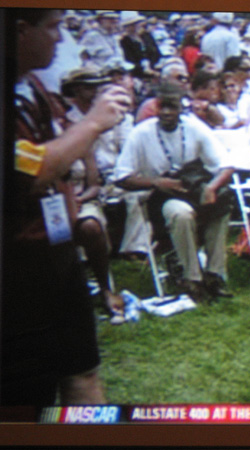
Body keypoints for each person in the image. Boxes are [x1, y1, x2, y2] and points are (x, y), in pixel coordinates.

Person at [2, 8, 130, 405]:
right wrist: (92, 124)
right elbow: (30, 173)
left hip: (58, 255)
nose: (61, 38)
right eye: (54, 26)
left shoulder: (33, 85)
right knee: (25, 397)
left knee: (82, 371)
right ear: (20, 31)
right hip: (15, 271)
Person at [114, 84, 235, 303]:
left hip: (193, 189)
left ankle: (214, 275)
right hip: (160, 197)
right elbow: (121, 177)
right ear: (155, 106)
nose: (167, 112)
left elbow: (226, 165)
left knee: (221, 206)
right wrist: (156, 182)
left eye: (172, 107)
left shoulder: (193, 127)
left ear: (182, 107)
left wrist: (211, 187)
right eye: (162, 106)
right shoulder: (141, 133)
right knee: (181, 214)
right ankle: (192, 278)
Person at [60, 67, 126, 323]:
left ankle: (105, 288)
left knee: (90, 226)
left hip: (81, 197)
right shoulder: (58, 131)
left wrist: (79, 199)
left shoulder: (85, 137)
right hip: (51, 201)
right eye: (90, 87)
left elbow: (93, 184)